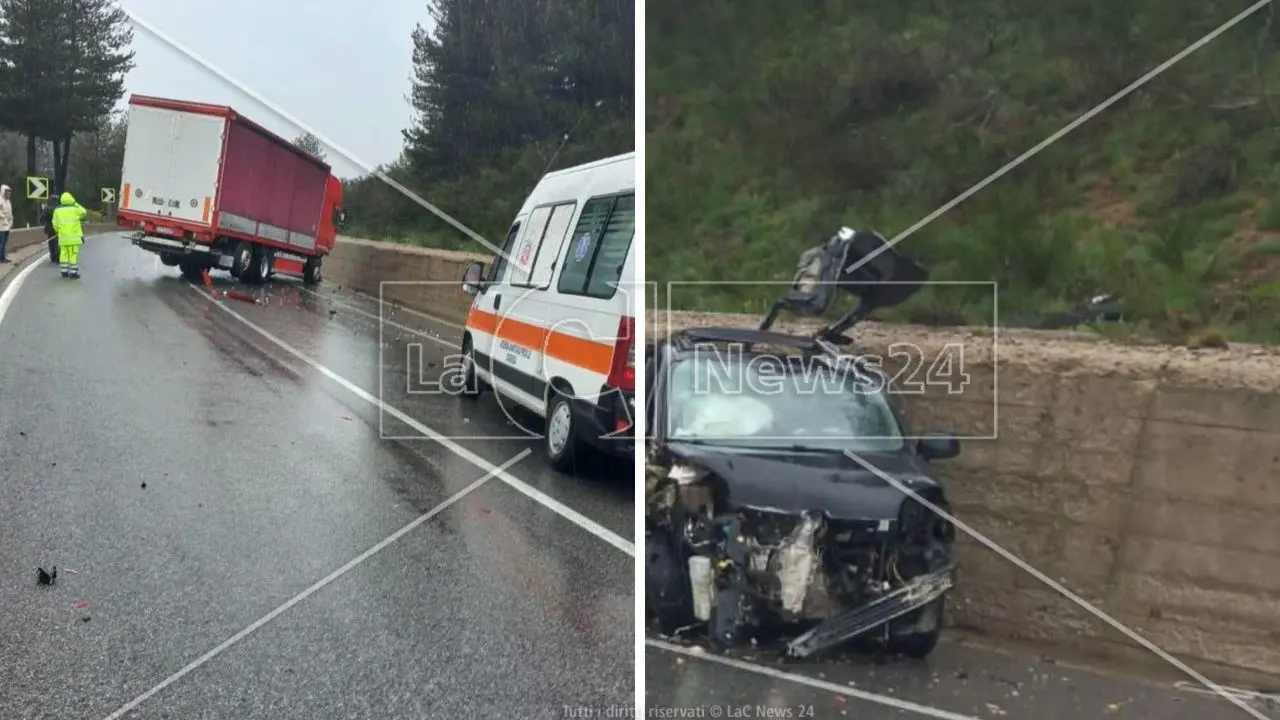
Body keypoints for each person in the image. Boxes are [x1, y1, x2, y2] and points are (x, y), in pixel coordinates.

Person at [51, 191, 87, 278]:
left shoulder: (57, 210)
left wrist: (57, 231)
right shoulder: (75, 209)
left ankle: (64, 271)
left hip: (63, 238)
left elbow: (54, 223)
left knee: (63, 254)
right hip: (74, 238)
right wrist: (75, 203)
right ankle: (73, 273)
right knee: (73, 254)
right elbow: (84, 212)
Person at [0, 184, 13, 264]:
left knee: (4, 243)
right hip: (1, 226)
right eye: (7, 192)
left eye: (9, 192)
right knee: (2, 243)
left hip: (7, 226)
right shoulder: (0, 200)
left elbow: (10, 213)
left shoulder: (8, 201)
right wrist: (3, 217)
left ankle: (3, 257)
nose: (8, 194)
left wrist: (11, 221)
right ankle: (1, 258)